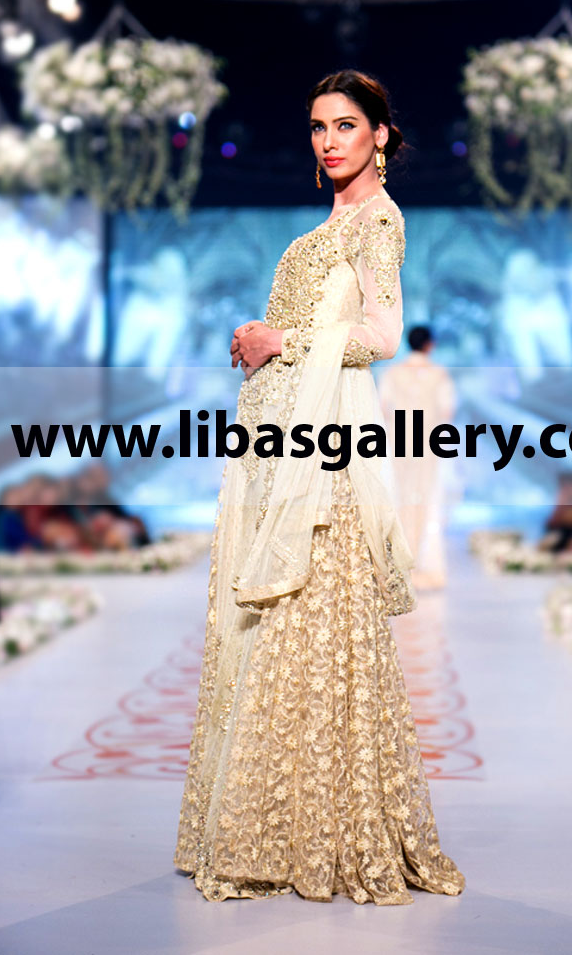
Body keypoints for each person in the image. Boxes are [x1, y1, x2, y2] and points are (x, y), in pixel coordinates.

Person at [173, 69, 466, 906]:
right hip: (280, 443)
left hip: (324, 453)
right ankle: (279, 822)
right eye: (317, 127)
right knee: (274, 623)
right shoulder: (333, 221)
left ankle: (317, 833)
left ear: (380, 134)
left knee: (312, 623)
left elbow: (379, 334)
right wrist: (260, 339)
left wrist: (284, 341)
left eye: (345, 125)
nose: (329, 140)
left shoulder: (378, 221)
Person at [378, 324, 457, 590]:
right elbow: (446, 412)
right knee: (426, 497)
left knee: (400, 497)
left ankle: (400, 562)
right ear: (429, 344)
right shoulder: (438, 374)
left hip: (400, 442)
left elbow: (383, 407)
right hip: (428, 444)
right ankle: (422, 561)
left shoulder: (393, 373)